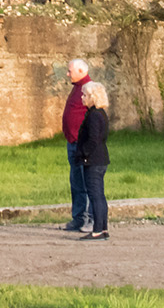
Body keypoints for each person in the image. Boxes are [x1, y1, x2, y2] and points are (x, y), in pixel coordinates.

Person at [75, 80, 111, 240]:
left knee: (95, 195)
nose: (82, 97)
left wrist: (83, 153)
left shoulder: (95, 115)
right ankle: (102, 228)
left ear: (92, 97)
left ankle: (97, 230)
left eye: (85, 95)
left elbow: (93, 139)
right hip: (100, 159)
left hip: (94, 160)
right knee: (99, 195)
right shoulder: (99, 113)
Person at [61, 57, 92, 233]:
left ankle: (90, 219)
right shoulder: (76, 89)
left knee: (88, 183)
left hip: (82, 144)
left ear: (81, 71)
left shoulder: (89, 88)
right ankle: (78, 218)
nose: (67, 74)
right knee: (76, 183)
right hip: (72, 142)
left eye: (70, 71)